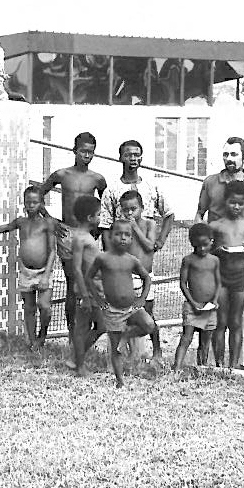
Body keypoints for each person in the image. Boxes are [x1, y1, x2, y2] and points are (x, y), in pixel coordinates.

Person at [196, 137, 244, 369]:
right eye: (226, 154)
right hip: (217, 257)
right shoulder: (211, 182)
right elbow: (199, 213)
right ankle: (215, 362)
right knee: (218, 315)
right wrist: (202, 239)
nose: (229, 159)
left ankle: (241, 362)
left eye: (234, 155)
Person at [99, 140, 174, 362]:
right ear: (120, 157)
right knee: (120, 311)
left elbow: (169, 214)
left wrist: (159, 241)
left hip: (143, 261)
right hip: (122, 264)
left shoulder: (152, 187)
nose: (133, 159)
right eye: (128, 155)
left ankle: (156, 352)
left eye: (137, 155)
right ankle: (124, 354)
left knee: (147, 312)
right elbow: (104, 226)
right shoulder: (112, 189)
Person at [38, 132, 107, 364]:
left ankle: (83, 332)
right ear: (74, 150)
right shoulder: (61, 174)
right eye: (83, 151)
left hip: (86, 234)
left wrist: (97, 229)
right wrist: (50, 220)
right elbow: (38, 194)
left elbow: (106, 205)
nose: (87, 156)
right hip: (66, 232)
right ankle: (70, 333)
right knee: (71, 283)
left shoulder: (97, 179)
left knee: (89, 281)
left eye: (91, 152)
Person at [0, 186, 57, 349]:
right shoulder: (21, 222)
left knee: (45, 307)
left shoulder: (47, 224)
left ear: (42, 204)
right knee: (29, 308)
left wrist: (45, 276)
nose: (31, 206)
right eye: (28, 202)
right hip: (26, 272)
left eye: (35, 202)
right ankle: (32, 342)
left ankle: (42, 335)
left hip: (43, 271)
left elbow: (52, 251)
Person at [83, 220, 156, 387]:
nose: (122, 238)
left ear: (131, 239)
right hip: (113, 310)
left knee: (149, 325)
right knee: (116, 348)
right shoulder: (102, 258)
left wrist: (141, 299)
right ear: (110, 236)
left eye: (127, 235)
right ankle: (120, 381)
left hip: (132, 307)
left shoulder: (132, 260)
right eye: (118, 234)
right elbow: (88, 277)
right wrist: (99, 300)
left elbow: (147, 278)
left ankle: (126, 335)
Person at [209, 180, 244, 369]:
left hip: (240, 277)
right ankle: (220, 363)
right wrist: (218, 251)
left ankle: (233, 365)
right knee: (220, 320)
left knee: (236, 321)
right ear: (225, 200)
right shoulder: (216, 226)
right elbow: (209, 252)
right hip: (221, 277)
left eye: (240, 203)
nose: (236, 206)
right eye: (232, 202)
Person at [116, 190, 162, 362]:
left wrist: (135, 228)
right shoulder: (121, 228)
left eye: (133, 209)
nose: (129, 213)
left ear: (142, 208)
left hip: (146, 277)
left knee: (149, 315)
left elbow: (150, 246)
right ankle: (129, 352)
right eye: (125, 210)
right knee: (130, 315)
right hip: (128, 278)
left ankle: (157, 351)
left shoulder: (149, 224)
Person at [173, 223, 220, 370]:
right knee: (186, 338)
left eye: (205, 245)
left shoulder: (214, 260)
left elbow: (218, 283)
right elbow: (183, 283)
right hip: (192, 307)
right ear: (192, 244)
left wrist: (215, 300)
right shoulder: (189, 260)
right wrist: (193, 303)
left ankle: (202, 367)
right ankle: (177, 368)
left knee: (205, 341)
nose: (201, 249)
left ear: (212, 241)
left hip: (209, 308)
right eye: (197, 246)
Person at [68, 195, 103, 376]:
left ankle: (76, 358)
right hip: (87, 291)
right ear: (90, 218)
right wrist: (85, 295)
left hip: (95, 289)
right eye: (98, 215)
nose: (100, 218)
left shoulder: (86, 236)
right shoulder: (80, 238)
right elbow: (77, 269)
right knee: (85, 328)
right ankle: (79, 365)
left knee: (99, 325)